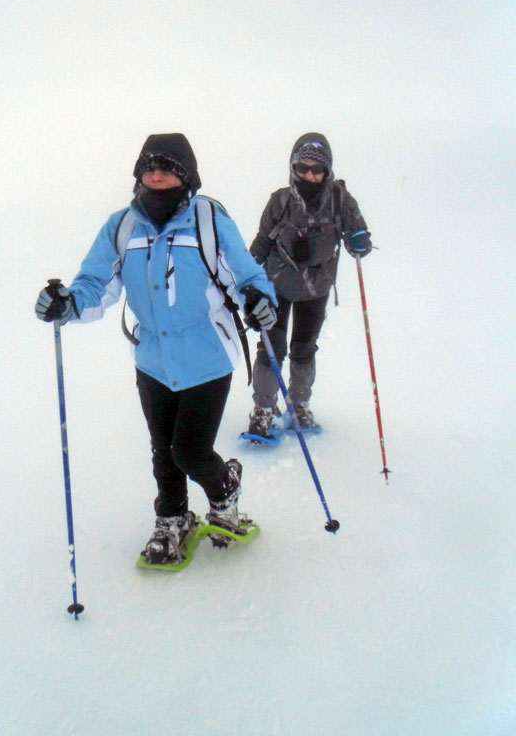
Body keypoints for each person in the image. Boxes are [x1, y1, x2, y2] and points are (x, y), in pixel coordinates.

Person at [35, 133, 277, 564]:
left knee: (189, 451)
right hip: (151, 359)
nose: (156, 174)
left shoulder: (209, 221)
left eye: (167, 168)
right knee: (162, 449)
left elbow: (247, 275)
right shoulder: (123, 226)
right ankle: (172, 517)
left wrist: (260, 301)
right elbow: (96, 284)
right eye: (149, 167)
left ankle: (225, 491)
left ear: (186, 176)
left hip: (208, 356)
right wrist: (67, 303)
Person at [246, 132, 372, 439]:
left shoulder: (341, 200)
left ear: (327, 171)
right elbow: (263, 240)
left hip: (316, 289)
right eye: (303, 168)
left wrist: (359, 242)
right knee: (271, 349)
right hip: (276, 286)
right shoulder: (280, 200)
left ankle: (299, 405)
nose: (309, 175)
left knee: (303, 348)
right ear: (293, 167)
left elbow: (359, 236)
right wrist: (248, 275)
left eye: (316, 169)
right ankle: (263, 409)